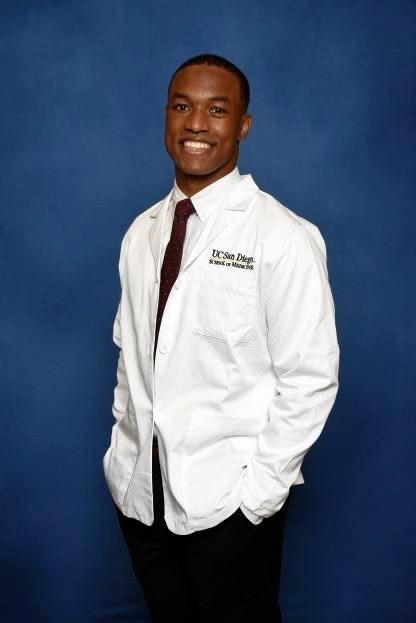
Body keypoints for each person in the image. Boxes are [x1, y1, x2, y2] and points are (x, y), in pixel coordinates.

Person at [103, 53, 339, 623]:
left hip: (229, 508)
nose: (196, 124)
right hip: (143, 499)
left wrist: (256, 498)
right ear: (166, 117)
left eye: (216, 110)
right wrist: (122, 454)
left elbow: (310, 377)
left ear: (243, 126)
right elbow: (129, 354)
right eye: (182, 106)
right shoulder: (141, 233)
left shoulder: (282, 236)